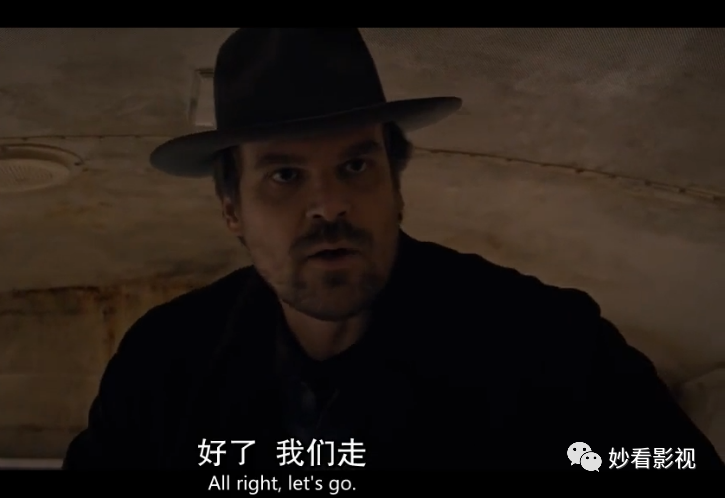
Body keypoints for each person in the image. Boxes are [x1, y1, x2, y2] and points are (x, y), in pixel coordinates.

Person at [64, 28, 723, 470]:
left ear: (395, 185)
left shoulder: (547, 344)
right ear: (232, 209)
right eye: (285, 176)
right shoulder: (165, 364)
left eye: (356, 167)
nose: (329, 205)